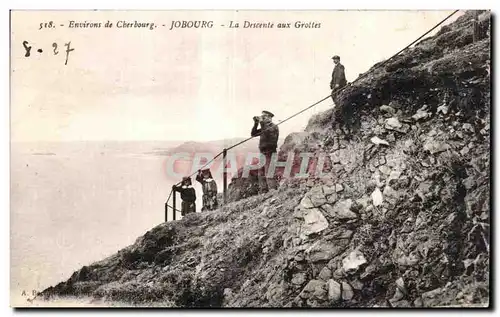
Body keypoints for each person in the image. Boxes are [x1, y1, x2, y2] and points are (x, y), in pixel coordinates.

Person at [251, 110, 280, 193]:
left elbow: (267, 133)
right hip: (263, 153)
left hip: (270, 153)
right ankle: (264, 192)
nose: (263, 118)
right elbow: (253, 134)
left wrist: (261, 123)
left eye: (265, 116)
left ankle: (273, 191)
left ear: (270, 118)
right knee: (261, 174)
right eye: (262, 116)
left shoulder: (273, 126)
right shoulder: (264, 126)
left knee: (269, 173)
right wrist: (256, 123)